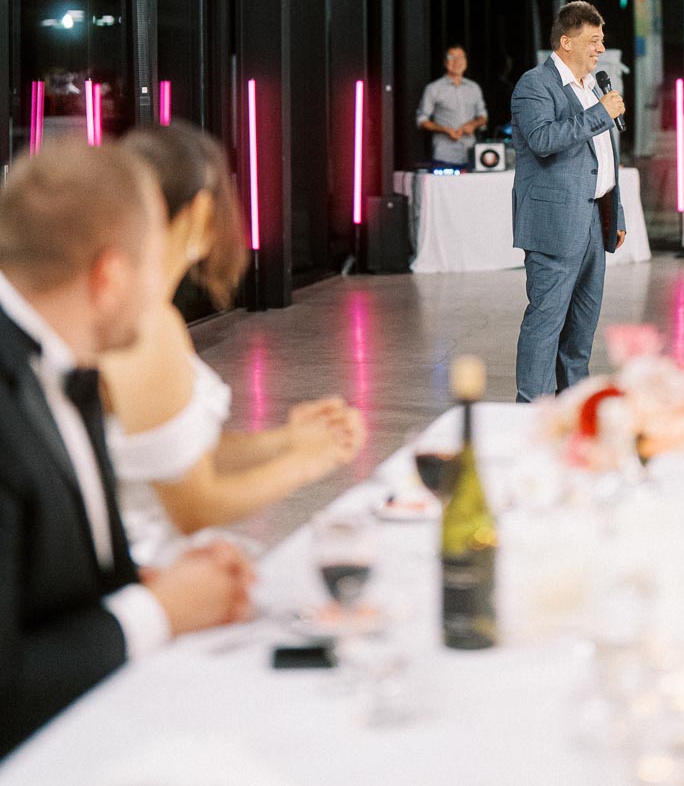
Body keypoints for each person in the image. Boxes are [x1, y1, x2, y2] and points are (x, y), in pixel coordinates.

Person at [0, 139, 255, 758]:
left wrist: (158, 581)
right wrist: (159, 610)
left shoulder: (73, 368)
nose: (160, 300)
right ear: (110, 275)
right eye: (152, 267)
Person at [99, 121, 365, 564]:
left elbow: (182, 456)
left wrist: (283, 440)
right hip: (148, 574)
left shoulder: (147, 313)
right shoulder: (146, 325)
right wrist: (304, 461)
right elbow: (194, 508)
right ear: (202, 211)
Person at [511, 1, 627, 402]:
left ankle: (574, 403)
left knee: (582, 322)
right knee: (546, 320)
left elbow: (605, 157)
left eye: (601, 40)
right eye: (593, 40)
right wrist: (600, 113)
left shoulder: (590, 85)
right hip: (554, 222)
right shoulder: (534, 85)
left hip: (594, 218)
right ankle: (533, 408)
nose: (600, 48)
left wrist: (618, 214)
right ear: (565, 42)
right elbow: (543, 140)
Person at [416, 45, 488, 168]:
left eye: (461, 57)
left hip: (471, 152)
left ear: (466, 61)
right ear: (445, 62)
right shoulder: (434, 88)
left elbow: (483, 116)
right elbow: (421, 120)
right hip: (444, 154)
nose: (457, 61)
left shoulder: (474, 88)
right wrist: (446, 130)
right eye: (452, 57)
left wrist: (473, 124)